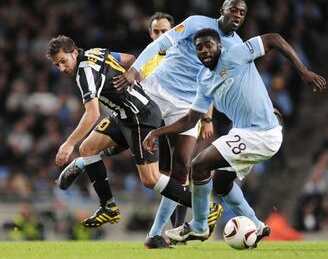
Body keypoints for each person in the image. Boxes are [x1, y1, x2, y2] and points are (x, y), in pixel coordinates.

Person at [143, 28, 326, 244]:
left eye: (208, 45)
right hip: (245, 132)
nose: (204, 50)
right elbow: (191, 120)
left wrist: (303, 71)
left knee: (199, 165)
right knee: (221, 184)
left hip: (261, 133)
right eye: (199, 47)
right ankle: (256, 226)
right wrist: (157, 132)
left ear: (219, 46)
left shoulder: (235, 55)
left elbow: (274, 39)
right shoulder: (204, 79)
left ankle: (200, 225)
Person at [113, 0, 247, 248]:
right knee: (136, 157)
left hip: (188, 106)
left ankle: (157, 234)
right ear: (223, 10)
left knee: (182, 167)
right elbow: (160, 46)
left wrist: (208, 116)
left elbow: (217, 81)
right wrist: (135, 71)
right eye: (233, 10)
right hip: (157, 95)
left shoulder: (235, 47)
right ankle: (87, 158)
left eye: (242, 12)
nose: (237, 15)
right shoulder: (193, 25)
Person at [46, 35, 210, 229]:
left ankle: (206, 208)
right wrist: (132, 81)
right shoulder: (94, 52)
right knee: (88, 148)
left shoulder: (85, 73)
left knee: (150, 179)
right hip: (124, 115)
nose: (62, 68)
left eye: (63, 61)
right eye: (57, 65)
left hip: (141, 116)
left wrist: (69, 143)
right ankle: (108, 207)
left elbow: (92, 114)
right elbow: (130, 59)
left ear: (74, 52)